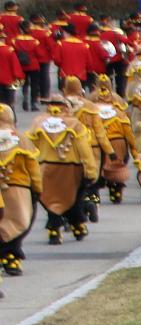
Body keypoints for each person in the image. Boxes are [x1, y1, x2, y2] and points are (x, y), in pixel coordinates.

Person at [25, 94, 94, 243]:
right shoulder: (74, 124)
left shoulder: (39, 123)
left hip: (46, 166)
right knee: (73, 198)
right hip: (71, 167)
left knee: (51, 199)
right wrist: (90, 170)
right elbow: (84, 149)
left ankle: (54, 229)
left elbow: (29, 146)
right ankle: (77, 224)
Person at [0, 106, 41, 276]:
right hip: (18, 187)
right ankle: (11, 255)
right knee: (20, 223)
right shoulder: (21, 139)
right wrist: (37, 188)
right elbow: (33, 168)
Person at [14, 18, 47, 112]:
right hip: (33, 65)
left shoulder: (15, 40)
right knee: (34, 84)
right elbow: (40, 54)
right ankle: (33, 103)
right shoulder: (34, 41)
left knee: (25, 83)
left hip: (22, 65)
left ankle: (25, 96)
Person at [0, 34, 20, 110]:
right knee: (9, 102)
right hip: (9, 79)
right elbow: (15, 65)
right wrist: (19, 77)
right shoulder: (9, 50)